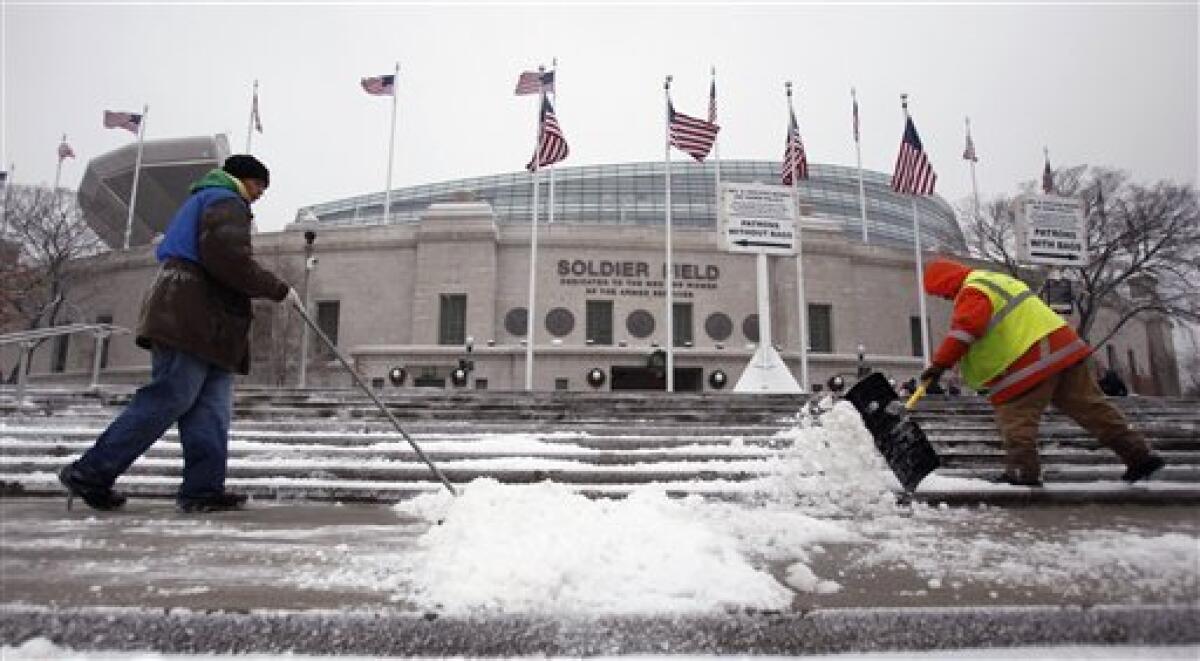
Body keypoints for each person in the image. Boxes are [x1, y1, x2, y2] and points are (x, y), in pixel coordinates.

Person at [58, 155, 302, 512]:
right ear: (242, 179)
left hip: (210, 325)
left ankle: (203, 491)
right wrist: (278, 288)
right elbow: (227, 257)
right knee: (169, 397)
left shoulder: (208, 200)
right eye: (258, 187)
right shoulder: (225, 198)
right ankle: (91, 472)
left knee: (210, 411)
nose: (259, 196)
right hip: (189, 315)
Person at [918, 257, 1164, 487]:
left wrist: (939, 365)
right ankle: (1139, 455)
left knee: (1016, 417)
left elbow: (965, 330)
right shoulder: (996, 281)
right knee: (1091, 407)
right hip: (1063, 349)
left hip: (1031, 360)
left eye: (941, 293)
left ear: (946, 282)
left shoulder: (972, 290)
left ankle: (1022, 472)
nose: (945, 298)